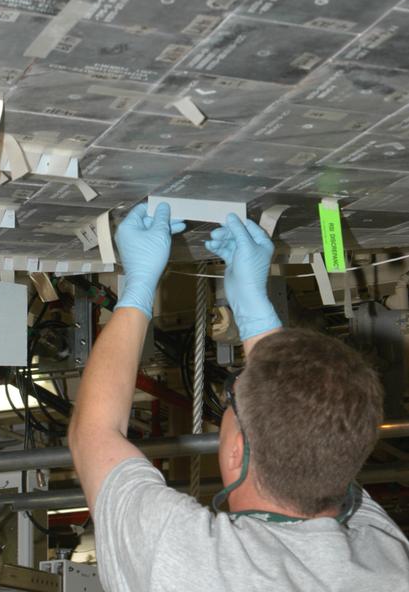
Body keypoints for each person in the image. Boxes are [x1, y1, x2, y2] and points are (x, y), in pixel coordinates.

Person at [69, 202, 409, 591]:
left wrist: (139, 288)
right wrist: (252, 313)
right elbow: (319, 433)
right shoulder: (384, 560)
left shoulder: (390, 557)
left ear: (237, 452)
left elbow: (94, 432)